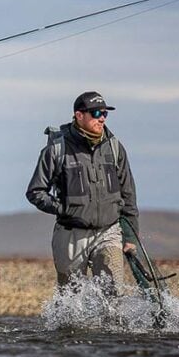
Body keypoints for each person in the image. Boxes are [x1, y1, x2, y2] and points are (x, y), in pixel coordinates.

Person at [25, 91, 139, 296]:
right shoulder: (56, 149)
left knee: (114, 294)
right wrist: (64, 209)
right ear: (79, 115)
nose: (102, 118)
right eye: (96, 113)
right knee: (70, 301)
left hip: (108, 231)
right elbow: (35, 192)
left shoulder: (114, 148)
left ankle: (111, 329)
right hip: (70, 234)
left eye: (105, 113)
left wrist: (131, 236)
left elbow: (128, 193)